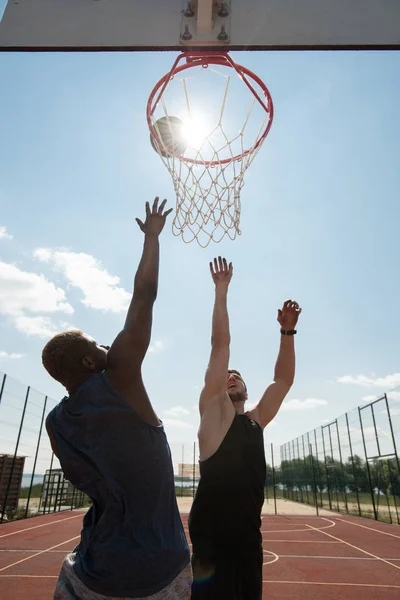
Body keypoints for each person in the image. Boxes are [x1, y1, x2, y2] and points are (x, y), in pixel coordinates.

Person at [43, 198, 192, 600]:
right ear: (91, 360)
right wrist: (153, 238)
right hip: (155, 567)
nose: (107, 342)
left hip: (91, 566)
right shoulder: (120, 377)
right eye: (98, 342)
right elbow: (144, 295)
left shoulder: (55, 423)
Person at [189, 256, 302, 600]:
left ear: (246, 389)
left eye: (238, 376)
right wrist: (221, 289)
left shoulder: (254, 421)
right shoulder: (214, 412)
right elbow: (220, 346)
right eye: (227, 375)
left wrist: (287, 332)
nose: (232, 376)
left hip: (250, 540)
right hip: (213, 543)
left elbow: (282, 380)